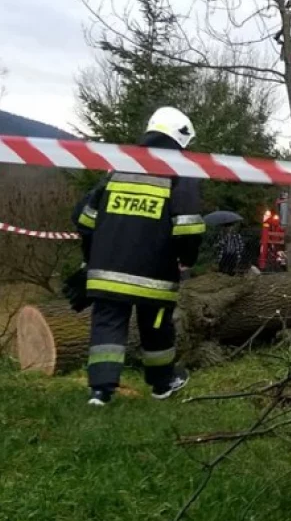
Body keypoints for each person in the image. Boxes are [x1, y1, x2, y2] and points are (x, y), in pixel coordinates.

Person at [74, 106, 206, 406]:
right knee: (157, 326)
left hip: (106, 269)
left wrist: (89, 260)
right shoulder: (181, 170)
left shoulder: (118, 165)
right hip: (154, 273)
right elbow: (188, 226)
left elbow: (85, 219)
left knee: (107, 324)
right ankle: (162, 384)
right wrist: (188, 259)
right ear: (181, 137)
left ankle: (100, 392)